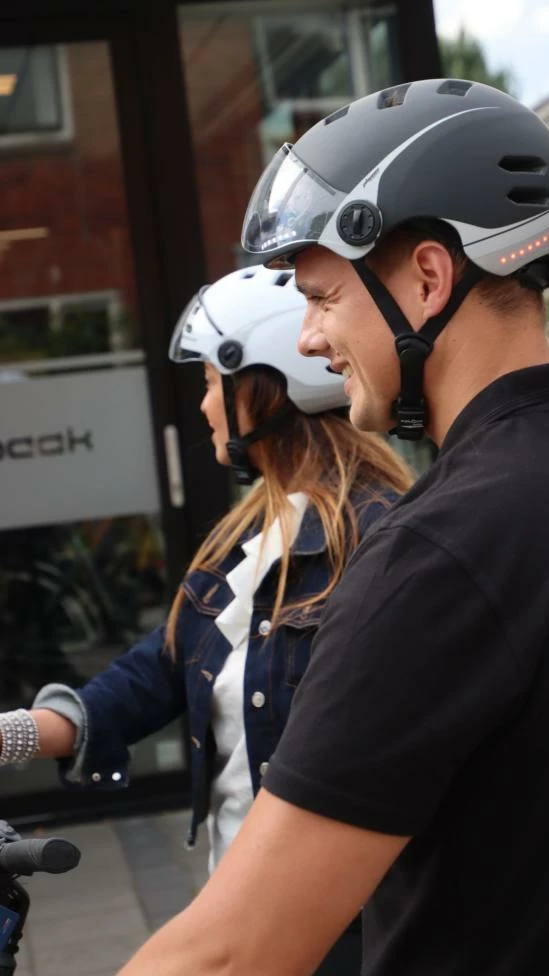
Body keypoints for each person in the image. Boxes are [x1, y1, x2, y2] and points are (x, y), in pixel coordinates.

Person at [117, 79, 549, 976]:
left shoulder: (439, 554)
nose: (307, 339)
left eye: (322, 298)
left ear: (427, 279)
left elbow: (232, 954)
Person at [0, 265, 412, 976]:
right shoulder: (249, 532)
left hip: (343, 932)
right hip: (245, 910)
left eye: (211, 382)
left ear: (266, 386)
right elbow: (159, 670)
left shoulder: (379, 542)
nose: (203, 406)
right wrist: (13, 735)